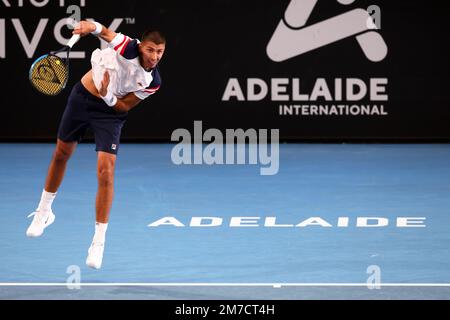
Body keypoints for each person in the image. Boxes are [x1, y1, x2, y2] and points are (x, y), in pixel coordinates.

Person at [26, 20, 166, 269]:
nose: (154, 57)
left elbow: (124, 107)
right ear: (141, 47)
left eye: (160, 52)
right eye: (150, 50)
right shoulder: (127, 47)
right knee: (62, 153)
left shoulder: (153, 82)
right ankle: (44, 212)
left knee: (106, 172)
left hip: (110, 114)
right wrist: (89, 26)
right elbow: (103, 31)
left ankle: (98, 242)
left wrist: (108, 96)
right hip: (81, 99)